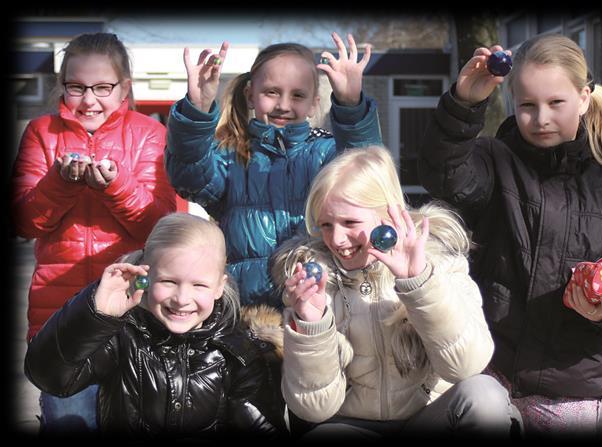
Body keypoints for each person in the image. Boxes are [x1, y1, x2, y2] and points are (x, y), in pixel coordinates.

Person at [417, 34, 602, 435]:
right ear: (513, 102)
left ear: (583, 97)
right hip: (491, 368)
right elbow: (443, 175)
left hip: (571, 386)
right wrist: (464, 102)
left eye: (555, 103)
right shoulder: (493, 161)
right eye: (527, 105)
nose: (541, 117)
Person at [270, 146, 520, 439]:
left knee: (485, 396)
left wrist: (420, 284)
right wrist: (313, 324)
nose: (337, 239)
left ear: (388, 215)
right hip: (354, 424)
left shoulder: (439, 262)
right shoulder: (315, 279)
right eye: (326, 224)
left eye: (350, 222)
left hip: (431, 415)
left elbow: (466, 366)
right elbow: (314, 409)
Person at [10, 32, 176, 433]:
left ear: (124, 89)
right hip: (60, 314)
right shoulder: (41, 133)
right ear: (62, 86)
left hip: (133, 314)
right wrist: (61, 183)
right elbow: (25, 221)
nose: (89, 100)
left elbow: (161, 226)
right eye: (77, 87)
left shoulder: (151, 135)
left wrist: (115, 188)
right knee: (70, 424)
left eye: (103, 87)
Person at [165, 32, 382, 308]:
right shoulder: (231, 156)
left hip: (320, 307)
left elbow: (368, 172)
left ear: (315, 102)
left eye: (298, 95)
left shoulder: (325, 153)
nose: (283, 105)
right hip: (246, 310)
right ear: (251, 96)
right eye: (271, 92)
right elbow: (189, 177)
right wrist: (197, 110)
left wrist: (352, 106)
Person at [24, 212, 287, 438]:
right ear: (145, 277)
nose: (182, 299)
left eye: (199, 285)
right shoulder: (122, 334)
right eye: (169, 282)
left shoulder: (237, 354)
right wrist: (95, 313)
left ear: (220, 286)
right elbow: (49, 376)